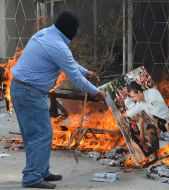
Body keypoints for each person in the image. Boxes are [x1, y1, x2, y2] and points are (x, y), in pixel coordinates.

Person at [10, 10, 105, 189]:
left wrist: (87, 72)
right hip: (29, 92)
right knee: (41, 134)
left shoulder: (47, 34)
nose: (76, 33)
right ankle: (32, 177)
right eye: (76, 29)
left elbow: (69, 64)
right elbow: (75, 78)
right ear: (71, 29)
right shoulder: (58, 46)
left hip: (23, 89)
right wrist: (96, 92)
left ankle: (41, 171)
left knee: (36, 134)